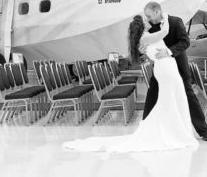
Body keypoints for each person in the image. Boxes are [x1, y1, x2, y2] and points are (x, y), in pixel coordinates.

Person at [63, 12, 198, 152]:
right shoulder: (146, 37)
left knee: (171, 100)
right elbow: (165, 32)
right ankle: (174, 132)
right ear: (142, 25)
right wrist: (165, 16)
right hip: (166, 69)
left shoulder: (144, 38)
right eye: (146, 19)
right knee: (171, 100)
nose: (149, 20)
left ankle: (174, 130)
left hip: (166, 68)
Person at [142, 2, 207, 141]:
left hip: (179, 67)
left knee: (189, 96)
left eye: (149, 15)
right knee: (152, 95)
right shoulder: (150, 29)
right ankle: (144, 128)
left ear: (157, 12)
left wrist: (168, 52)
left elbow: (185, 42)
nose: (148, 19)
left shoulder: (175, 21)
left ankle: (204, 131)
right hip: (161, 69)